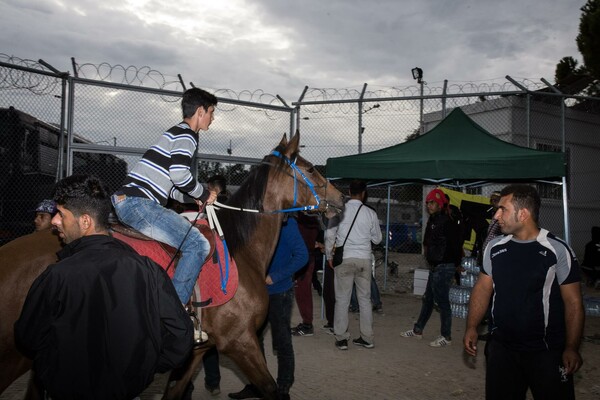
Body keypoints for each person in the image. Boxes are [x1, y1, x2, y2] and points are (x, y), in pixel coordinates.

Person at [14, 175, 193, 400]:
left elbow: (28, 338)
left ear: (85, 221)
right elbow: (181, 336)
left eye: (62, 214)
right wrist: (146, 367)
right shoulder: (148, 270)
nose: (54, 221)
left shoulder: (56, 276)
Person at [463, 184, 584, 400]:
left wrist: (571, 347)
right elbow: (482, 288)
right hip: (501, 348)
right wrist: (472, 326)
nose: (496, 215)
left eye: (503, 209)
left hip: (545, 352)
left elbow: (573, 303)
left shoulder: (556, 250)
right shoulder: (494, 247)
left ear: (523, 213)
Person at [112, 87, 218, 306]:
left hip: (130, 200)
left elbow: (170, 188)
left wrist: (192, 199)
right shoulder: (188, 135)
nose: (212, 118)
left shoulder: (175, 132)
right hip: (138, 203)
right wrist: (205, 193)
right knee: (198, 245)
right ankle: (174, 313)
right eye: (211, 112)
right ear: (200, 111)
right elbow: (179, 175)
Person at [228, 216, 309, 400]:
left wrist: (276, 276)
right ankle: (258, 385)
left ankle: (283, 389)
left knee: (282, 342)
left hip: (279, 292)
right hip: (255, 293)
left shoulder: (287, 223)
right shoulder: (256, 220)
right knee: (252, 341)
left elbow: (302, 255)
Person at [400, 188, 463, 347]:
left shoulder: (447, 221)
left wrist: (456, 265)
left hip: (444, 266)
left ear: (440, 204)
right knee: (428, 299)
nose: (429, 205)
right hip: (435, 266)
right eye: (428, 203)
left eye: (433, 202)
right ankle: (418, 329)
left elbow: (456, 245)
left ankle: (446, 336)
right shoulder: (433, 220)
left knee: (442, 302)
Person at [326, 180, 382, 350]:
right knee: (365, 300)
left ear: (349, 191)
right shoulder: (370, 213)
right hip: (364, 259)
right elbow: (377, 239)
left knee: (342, 300)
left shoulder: (339, 210)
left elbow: (330, 234)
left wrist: (329, 254)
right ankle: (367, 338)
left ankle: (341, 338)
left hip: (344, 259)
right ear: (364, 193)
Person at [291, 212, 321, 337]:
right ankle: (306, 322)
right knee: (302, 292)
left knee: (303, 293)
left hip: (303, 260)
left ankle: (307, 324)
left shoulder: (302, 223)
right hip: (308, 258)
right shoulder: (313, 222)